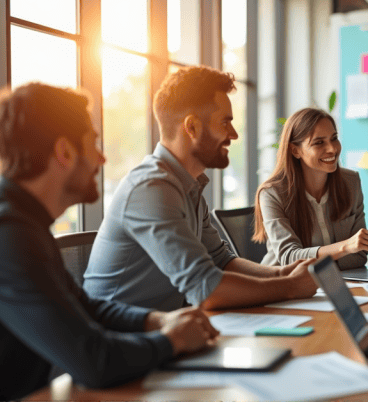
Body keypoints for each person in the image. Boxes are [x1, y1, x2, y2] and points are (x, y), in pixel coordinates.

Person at [0, 83, 219, 400]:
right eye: (94, 144)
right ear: (64, 152)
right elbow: (93, 361)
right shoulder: (10, 235)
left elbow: (84, 306)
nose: (101, 159)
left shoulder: (23, 223)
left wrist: (156, 320)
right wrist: (174, 341)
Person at [83, 66, 317, 311]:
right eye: (225, 122)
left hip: (168, 330)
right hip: (122, 339)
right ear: (191, 127)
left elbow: (222, 261)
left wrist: (281, 274)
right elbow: (206, 289)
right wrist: (290, 287)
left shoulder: (188, 185)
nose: (234, 134)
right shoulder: (151, 188)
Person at [254, 108, 368, 270]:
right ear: (295, 150)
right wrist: (345, 247)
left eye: (334, 138)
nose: (332, 149)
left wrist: (346, 251)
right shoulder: (272, 193)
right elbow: (289, 258)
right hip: (282, 285)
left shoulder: (351, 183)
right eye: (319, 142)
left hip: (336, 282)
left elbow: (358, 256)